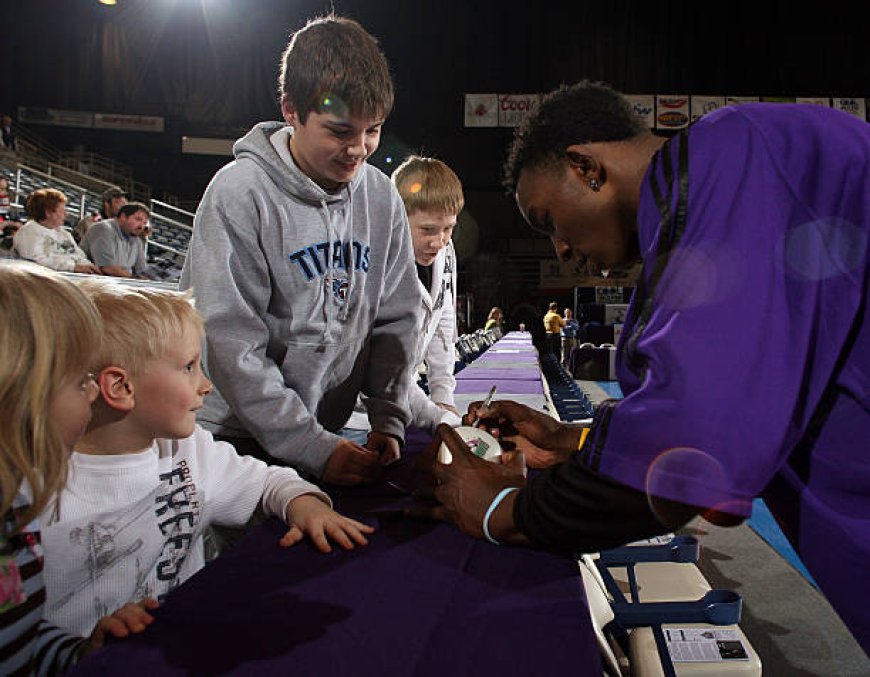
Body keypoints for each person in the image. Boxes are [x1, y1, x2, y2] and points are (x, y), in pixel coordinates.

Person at [415, 80, 870, 653]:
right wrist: (576, 441)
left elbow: (697, 446)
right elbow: (727, 425)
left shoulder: (737, 155)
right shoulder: (703, 195)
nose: (558, 248)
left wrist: (506, 512)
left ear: (587, 169)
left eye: (547, 220)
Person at [40, 282, 374, 638]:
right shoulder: (35, 491)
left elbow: (267, 482)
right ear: (120, 387)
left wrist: (304, 504)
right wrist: (78, 649)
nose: (206, 385)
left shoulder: (187, 449)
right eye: (189, 367)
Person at [179, 14, 420, 486]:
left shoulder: (380, 195)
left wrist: (389, 416)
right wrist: (308, 444)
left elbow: (398, 316)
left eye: (373, 130)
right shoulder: (240, 192)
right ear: (291, 110)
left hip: (323, 432)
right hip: (236, 439)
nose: (360, 148)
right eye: (340, 131)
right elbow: (229, 341)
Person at [0, 262, 158, 675]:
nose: (93, 394)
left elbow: (22, 636)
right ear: (21, 396)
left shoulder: (20, 506)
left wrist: (78, 653)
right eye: (80, 380)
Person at [346, 156, 463, 435]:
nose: (439, 241)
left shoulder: (445, 251)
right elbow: (382, 364)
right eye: (427, 230)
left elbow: (442, 323)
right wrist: (435, 416)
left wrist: (443, 395)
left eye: (448, 228)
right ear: (395, 218)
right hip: (356, 415)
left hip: (407, 403)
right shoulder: (368, 260)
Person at [12, 188, 101, 274]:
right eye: (62, 211)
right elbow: (35, 262)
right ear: (48, 213)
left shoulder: (64, 233)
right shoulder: (29, 232)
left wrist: (89, 267)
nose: (66, 214)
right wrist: (73, 267)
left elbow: (79, 255)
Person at [80, 201, 149, 278]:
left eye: (144, 223)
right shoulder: (103, 229)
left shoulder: (136, 238)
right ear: (123, 217)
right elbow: (108, 268)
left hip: (119, 284)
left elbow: (142, 270)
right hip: (92, 283)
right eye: (138, 219)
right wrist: (135, 279)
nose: (141, 226)